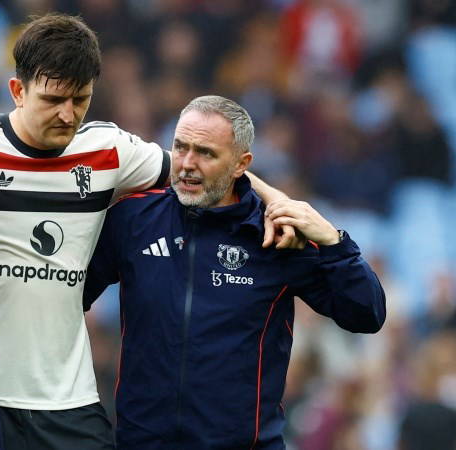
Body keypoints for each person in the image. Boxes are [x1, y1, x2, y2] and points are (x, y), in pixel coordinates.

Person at [0, 14, 299, 449]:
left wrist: (282, 202)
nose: (67, 114)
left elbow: (203, 172)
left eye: (80, 99)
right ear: (17, 90)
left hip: (70, 400)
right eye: (52, 99)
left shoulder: (110, 151)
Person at [83, 95, 387, 449]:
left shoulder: (276, 234)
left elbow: (367, 313)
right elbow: (68, 298)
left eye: (206, 153)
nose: (187, 164)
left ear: (241, 164)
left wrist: (334, 242)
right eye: (180, 147)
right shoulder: (135, 218)